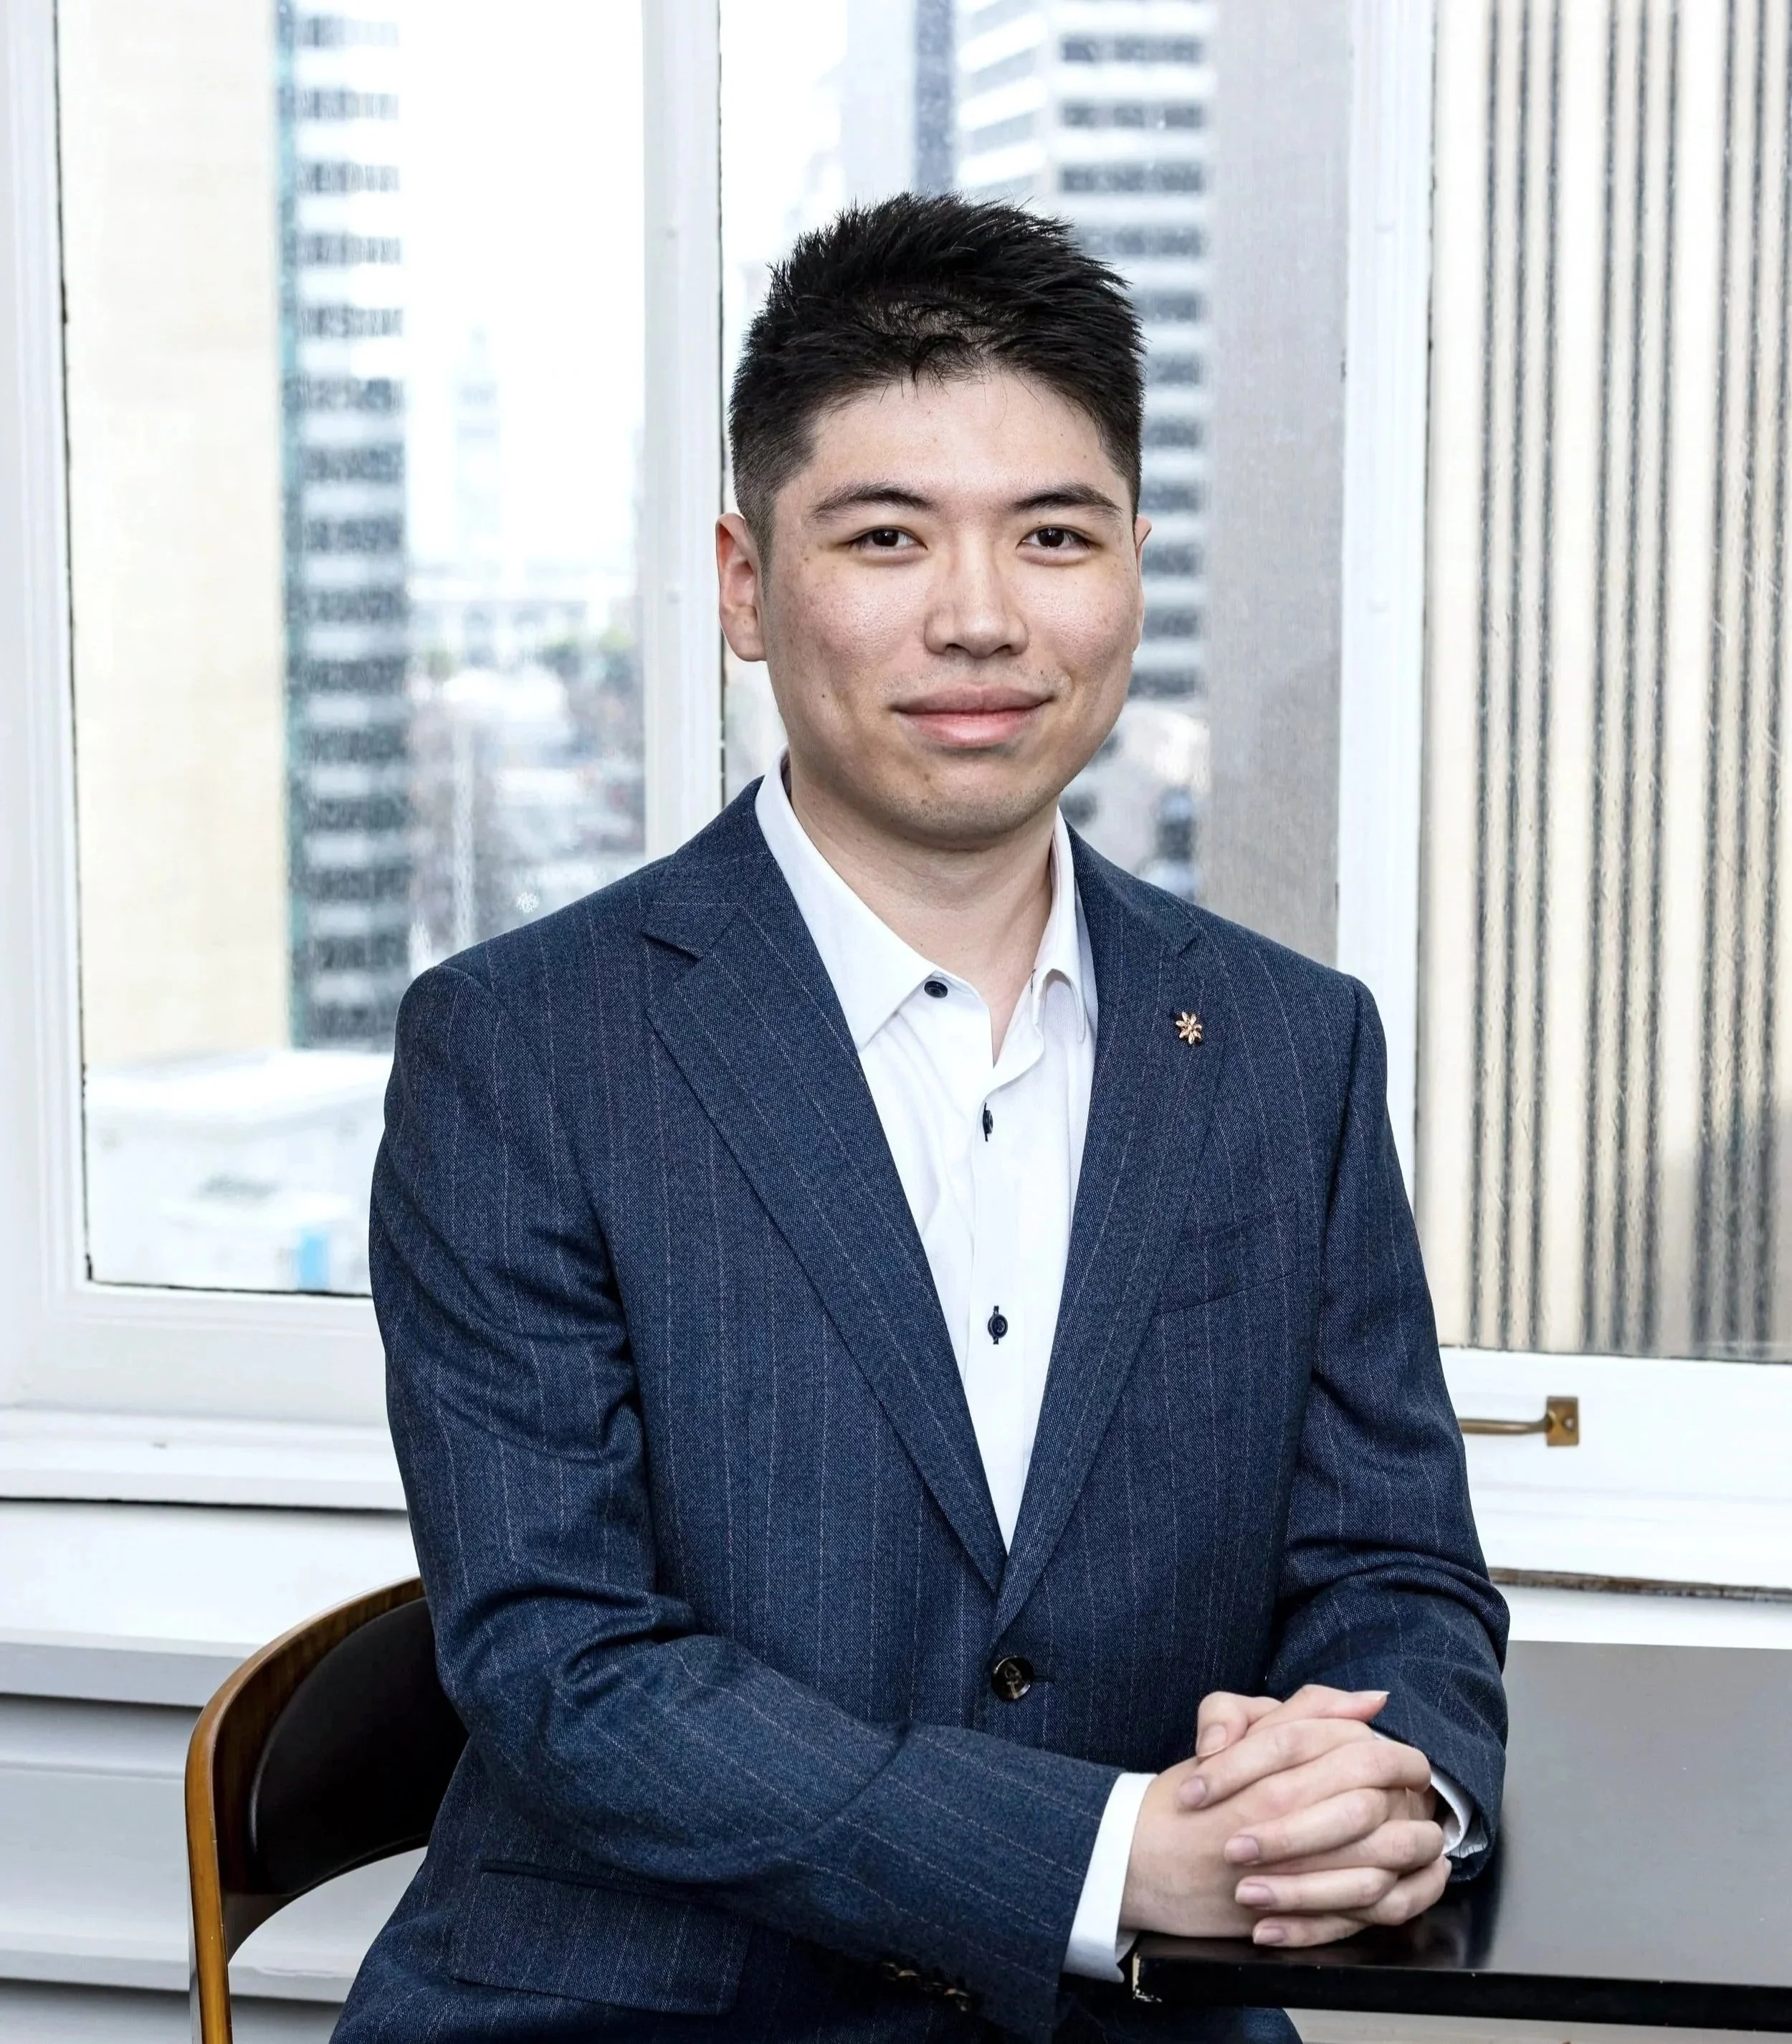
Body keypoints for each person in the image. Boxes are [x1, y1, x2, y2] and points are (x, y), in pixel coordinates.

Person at [335, 194, 1507, 2044]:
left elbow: (1393, 1565)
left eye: (1055, 535)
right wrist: (1104, 1857)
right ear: (744, 584)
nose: (981, 617)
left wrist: (1376, 1785)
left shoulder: (1291, 1048)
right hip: (649, 2011)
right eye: (886, 537)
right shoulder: (522, 1050)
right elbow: (560, 1663)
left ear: (1133, 568)